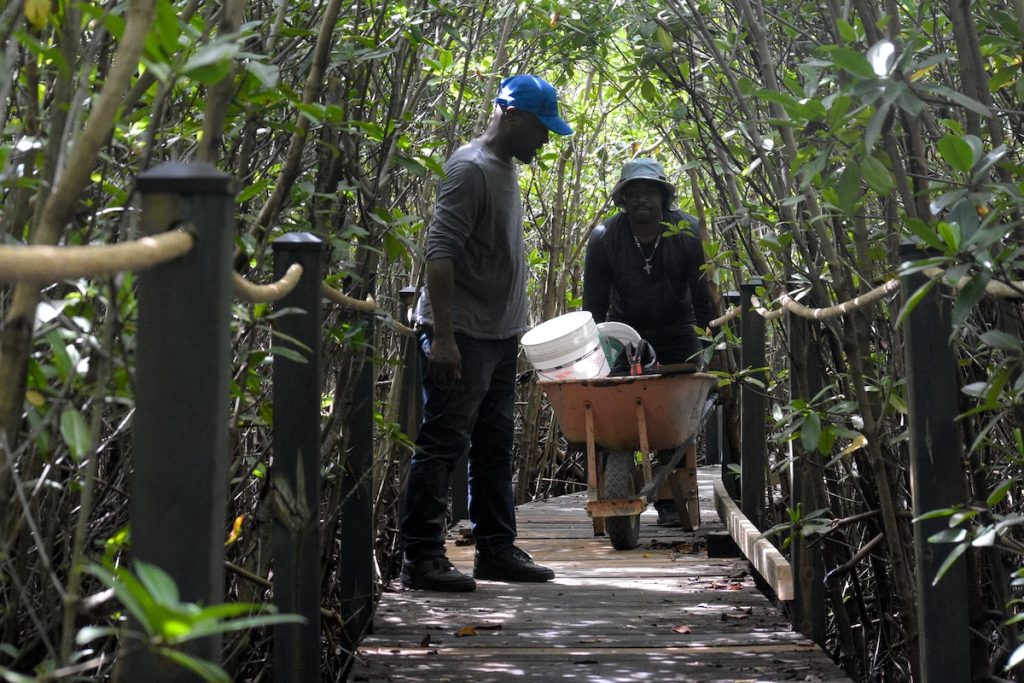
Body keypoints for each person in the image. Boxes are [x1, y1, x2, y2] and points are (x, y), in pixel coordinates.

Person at [399, 75, 574, 592]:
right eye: (542, 129)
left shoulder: (503, 167)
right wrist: (446, 338)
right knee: (442, 443)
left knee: (495, 444)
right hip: (464, 337)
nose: (545, 140)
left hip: (498, 337)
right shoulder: (470, 169)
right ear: (514, 118)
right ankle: (422, 558)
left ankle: (496, 549)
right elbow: (440, 253)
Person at [582, 158, 713, 526]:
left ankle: (671, 500)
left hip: (678, 330)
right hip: (625, 333)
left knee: (673, 416)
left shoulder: (686, 231)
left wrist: (711, 348)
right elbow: (592, 306)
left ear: (663, 197)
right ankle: (618, 488)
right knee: (620, 414)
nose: (642, 200)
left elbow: (703, 298)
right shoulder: (605, 238)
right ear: (623, 200)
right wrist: (591, 357)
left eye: (649, 192)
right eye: (633, 192)